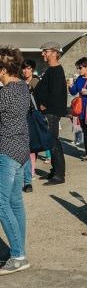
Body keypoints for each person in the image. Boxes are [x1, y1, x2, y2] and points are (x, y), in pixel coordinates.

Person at [0, 47, 31, 275]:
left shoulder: (5, 93)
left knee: (1, 204)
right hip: (21, 150)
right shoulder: (22, 88)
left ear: (3, 69)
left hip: (6, 150)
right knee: (15, 202)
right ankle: (18, 250)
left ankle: (18, 255)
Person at [34, 42, 67, 185]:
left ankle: (59, 175)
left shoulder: (56, 70)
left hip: (51, 112)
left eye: (45, 51)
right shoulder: (50, 70)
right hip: (49, 112)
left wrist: (44, 105)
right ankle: (54, 171)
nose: (43, 54)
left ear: (54, 53)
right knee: (50, 141)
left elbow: (55, 94)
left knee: (53, 142)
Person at [21, 60, 39, 194]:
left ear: (32, 69)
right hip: (22, 117)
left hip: (32, 116)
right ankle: (29, 175)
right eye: (24, 69)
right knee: (28, 147)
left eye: (28, 68)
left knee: (31, 147)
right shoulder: (20, 83)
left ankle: (30, 174)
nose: (26, 71)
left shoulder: (36, 82)